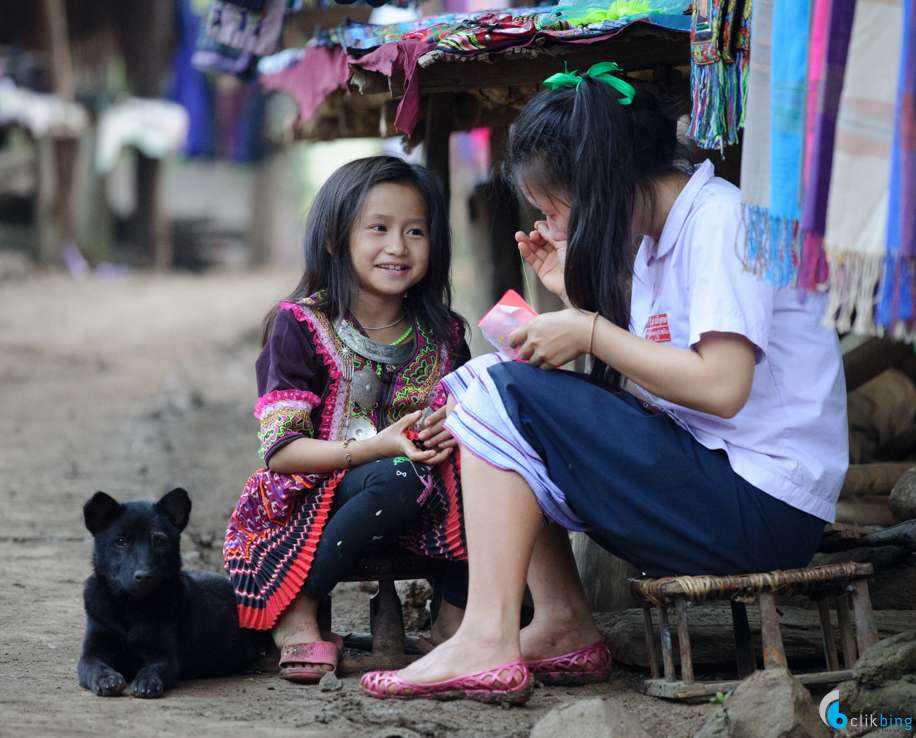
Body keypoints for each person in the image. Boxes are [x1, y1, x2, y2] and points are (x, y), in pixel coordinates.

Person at [360, 64, 848, 704]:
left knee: (489, 387)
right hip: (720, 484)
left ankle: (486, 633)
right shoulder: (650, 243)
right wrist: (580, 300)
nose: (553, 229)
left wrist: (590, 330)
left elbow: (723, 387)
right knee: (498, 399)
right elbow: (656, 382)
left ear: (603, 185)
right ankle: (560, 622)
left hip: (763, 508)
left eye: (556, 211)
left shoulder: (723, 221)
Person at [223, 156, 470, 683]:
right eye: (378, 228)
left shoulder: (445, 334)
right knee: (401, 476)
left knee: (493, 464)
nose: (398, 246)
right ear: (336, 239)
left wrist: (450, 429)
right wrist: (380, 447)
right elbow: (283, 453)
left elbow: (471, 418)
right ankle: (298, 610)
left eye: (415, 231)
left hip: (425, 492)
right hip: (315, 490)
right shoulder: (301, 325)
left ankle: (454, 621)